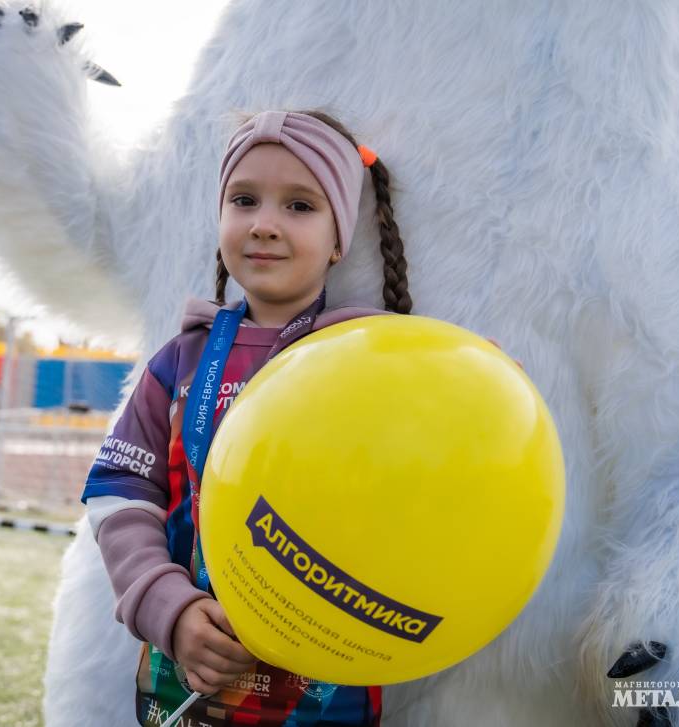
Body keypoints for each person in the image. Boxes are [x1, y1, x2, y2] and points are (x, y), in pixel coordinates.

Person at [80, 110, 411, 726]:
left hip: (327, 693)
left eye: (300, 206)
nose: (264, 224)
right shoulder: (179, 361)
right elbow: (116, 495)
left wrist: (472, 377)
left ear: (341, 239)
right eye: (244, 199)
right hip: (188, 684)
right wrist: (168, 608)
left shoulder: (375, 359)